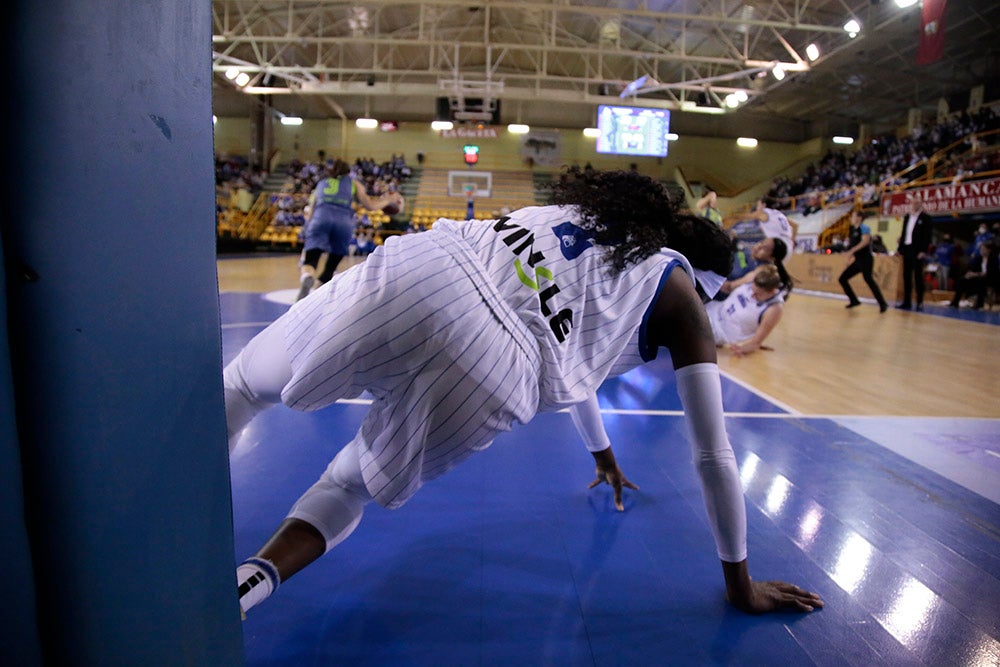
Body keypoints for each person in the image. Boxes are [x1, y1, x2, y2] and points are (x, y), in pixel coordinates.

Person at [225, 167, 823, 619]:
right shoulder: (684, 297)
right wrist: (741, 584)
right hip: (498, 366)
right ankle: (253, 581)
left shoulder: (588, 212)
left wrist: (602, 451)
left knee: (244, 384)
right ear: (707, 278)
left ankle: (174, 510)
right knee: (344, 486)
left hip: (431, 265)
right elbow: (713, 454)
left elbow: (579, 366)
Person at [296, 159, 402, 301]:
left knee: (311, 258)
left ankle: (307, 277)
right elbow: (369, 205)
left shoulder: (321, 184)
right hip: (343, 222)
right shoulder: (353, 183)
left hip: (321, 217)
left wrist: (311, 230)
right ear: (348, 171)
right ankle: (318, 295)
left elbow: (310, 213)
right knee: (331, 264)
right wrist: (387, 201)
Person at [705, 264, 785, 356]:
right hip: (713, 309)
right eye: (752, 290)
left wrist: (743, 348)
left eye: (758, 294)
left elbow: (755, 343)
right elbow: (729, 287)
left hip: (720, 332)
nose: (752, 295)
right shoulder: (752, 277)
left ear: (772, 292)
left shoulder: (774, 309)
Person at [838, 210, 889, 312]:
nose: (851, 218)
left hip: (866, 259)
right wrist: (849, 258)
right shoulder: (852, 230)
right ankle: (854, 300)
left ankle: (883, 303)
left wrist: (852, 250)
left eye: (853, 216)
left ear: (859, 218)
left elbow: (865, 241)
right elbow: (853, 246)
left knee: (868, 280)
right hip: (857, 260)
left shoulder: (864, 228)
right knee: (842, 279)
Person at [895, 195, 932, 311]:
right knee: (906, 277)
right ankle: (907, 301)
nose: (914, 205)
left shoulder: (925, 218)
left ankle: (919, 302)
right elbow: (904, 233)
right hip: (907, 249)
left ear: (920, 204)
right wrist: (899, 249)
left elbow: (927, 236)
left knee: (918, 277)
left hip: (917, 251)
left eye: (917, 203)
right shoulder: (907, 217)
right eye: (913, 203)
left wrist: (923, 251)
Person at [949, 241, 999, 309]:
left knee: (981, 281)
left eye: (983, 249)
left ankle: (979, 304)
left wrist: (977, 274)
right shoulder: (978, 258)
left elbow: (992, 272)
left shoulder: (994, 259)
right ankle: (955, 302)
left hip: (989, 278)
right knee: (962, 280)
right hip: (977, 277)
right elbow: (972, 268)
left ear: (988, 250)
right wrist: (969, 274)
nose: (981, 251)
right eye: (981, 249)